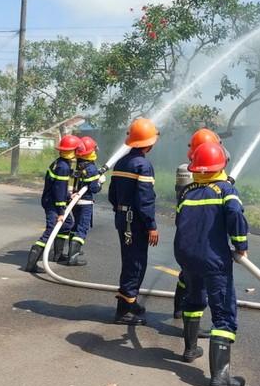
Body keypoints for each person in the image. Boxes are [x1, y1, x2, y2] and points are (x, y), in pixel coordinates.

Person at [174, 140, 247, 386]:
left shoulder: (188, 192)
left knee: (194, 301)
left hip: (187, 258)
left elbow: (181, 222)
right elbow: (236, 216)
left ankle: (190, 349)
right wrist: (240, 244)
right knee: (224, 315)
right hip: (213, 261)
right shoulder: (226, 191)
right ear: (221, 164)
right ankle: (220, 377)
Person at [108, 118, 160, 325]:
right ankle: (123, 310)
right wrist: (151, 226)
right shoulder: (143, 165)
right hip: (135, 222)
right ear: (149, 143)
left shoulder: (122, 162)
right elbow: (145, 199)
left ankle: (131, 300)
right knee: (136, 263)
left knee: (130, 260)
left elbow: (112, 193)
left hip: (122, 218)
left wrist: (120, 209)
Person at [173, 128, 225, 318]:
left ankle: (179, 308)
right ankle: (185, 310)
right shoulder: (199, 167)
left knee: (187, 272)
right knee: (197, 280)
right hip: (203, 231)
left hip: (187, 233)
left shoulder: (191, 164)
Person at [24, 135, 82, 273]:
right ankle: (31, 264)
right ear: (72, 151)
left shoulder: (60, 163)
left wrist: (69, 196)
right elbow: (58, 189)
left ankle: (58, 255)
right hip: (53, 203)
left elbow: (58, 187)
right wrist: (61, 211)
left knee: (68, 224)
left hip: (54, 199)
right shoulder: (62, 167)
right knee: (51, 230)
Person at [61, 136, 105, 266]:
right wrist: (100, 182)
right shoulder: (91, 168)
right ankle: (73, 257)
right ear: (90, 152)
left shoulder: (78, 165)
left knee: (75, 227)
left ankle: (72, 251)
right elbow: (94, 188)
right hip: (85, 202)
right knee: (82, 228)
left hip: (74, 201)